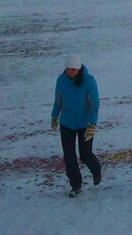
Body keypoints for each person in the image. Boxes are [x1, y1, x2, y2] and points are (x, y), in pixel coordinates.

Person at [51, 54, 102, 198]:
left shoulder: (88, 81)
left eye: (73, 69)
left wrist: (92, 123)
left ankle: (96, 169)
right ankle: (76, 185)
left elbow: (94, 104)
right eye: (68, 69)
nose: (70, 72)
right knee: (69, 156)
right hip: (67, 123)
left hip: (84, 123)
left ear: (79, 69)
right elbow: (58, 100)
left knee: (85, 155)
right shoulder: (61, 80)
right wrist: (54, 115)